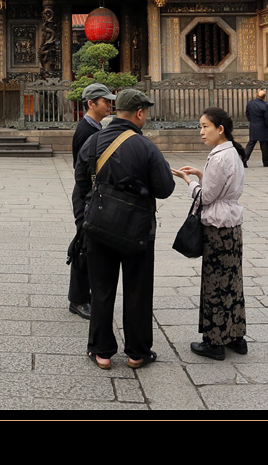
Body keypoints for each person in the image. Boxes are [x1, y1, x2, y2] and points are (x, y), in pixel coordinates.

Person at [73, 88, 175, 370]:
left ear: (117, 111)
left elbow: (80, 185)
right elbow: (165, 189)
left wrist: (83, 224)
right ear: (139, 114)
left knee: (102, 289)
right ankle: (137, 352)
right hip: (137, 230)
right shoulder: (146, 147)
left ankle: (101, 351)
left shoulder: (92, 143)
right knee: (138, 290)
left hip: (98, 228)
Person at [172, 107, 247, 361]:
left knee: (215, 283)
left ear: (220, 129)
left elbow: (205, 196)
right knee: (233, 282)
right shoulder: (233, 152)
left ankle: (214, 342)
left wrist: (188, 181)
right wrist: (201, 175)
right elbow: (223, 186)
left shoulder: (218, 156)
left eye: (205, 126)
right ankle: (236, 336)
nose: (201, 132)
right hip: (232, 224)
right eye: (200, 126)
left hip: (217, 226)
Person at [67, 83, 117, 320]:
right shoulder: (86, 130)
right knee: (84, 244)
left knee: (89, 243)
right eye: (105, 101)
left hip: (91, 192)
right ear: (91, 104)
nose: (109, 104)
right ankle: (78, 299)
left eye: (109, 101)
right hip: (86, 193)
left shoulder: (95, 127)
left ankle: (84, 295)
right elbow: (82, 168)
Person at [243, 89, 268, 168]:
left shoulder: (250, 103)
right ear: (264, 97)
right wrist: (267, 125)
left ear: (257, 95)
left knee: (251, 144)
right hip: (262, 126)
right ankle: (266, 161)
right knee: (264, 145)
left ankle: (244, 159)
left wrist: (251, 121)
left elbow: (247, 113)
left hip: (253, 125)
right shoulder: (264, 105)